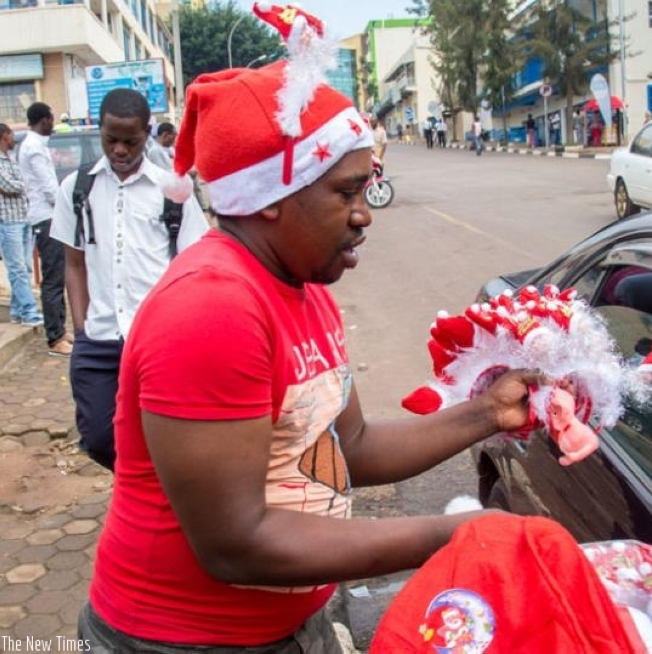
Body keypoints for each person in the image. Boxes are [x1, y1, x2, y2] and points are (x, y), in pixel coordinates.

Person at [76, 6, 544, 650]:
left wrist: (489, 413)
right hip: (181, 640)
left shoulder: (303, 284)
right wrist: (457, 533)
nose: (364, 216)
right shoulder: (212, 309)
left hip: (292, 628)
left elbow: (347, 447)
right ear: (270, 194)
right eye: (346, 193)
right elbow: (236, 545)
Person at [50, 88, 208, 472]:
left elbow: (195, 265)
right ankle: (142, 485)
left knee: (169, 432)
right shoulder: (77, 189)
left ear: (148, 133)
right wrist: (82, 327)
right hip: (99, 340)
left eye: (130, 141)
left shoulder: (174, 190)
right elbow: (74, 263)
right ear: (100, 131)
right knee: (100, 439)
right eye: (111, 140)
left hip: (158, 340)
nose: (120, 150)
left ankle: (158, 505)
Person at [18, 102, 72, 358]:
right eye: (51, 119)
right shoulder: (33, 148)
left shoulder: (35, 145)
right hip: (46, 217)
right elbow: (50, 188)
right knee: (53, 279)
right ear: (44, 120)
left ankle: (60, 329)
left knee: (58, 276)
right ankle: (55, 338)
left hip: (48, 217)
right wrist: (66, 204)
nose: (53, 124)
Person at [0, 123, 43, 328]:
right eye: (10, 135)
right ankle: (29, 312)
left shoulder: (11, 158)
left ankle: (18, 312)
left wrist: (22, 184)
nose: (13, 138)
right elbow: (8, 186)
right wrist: (24, 184)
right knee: (17, 268)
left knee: (24, 268)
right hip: (7, 222)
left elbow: (18, 184)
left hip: (23, 217)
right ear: (3, 136)